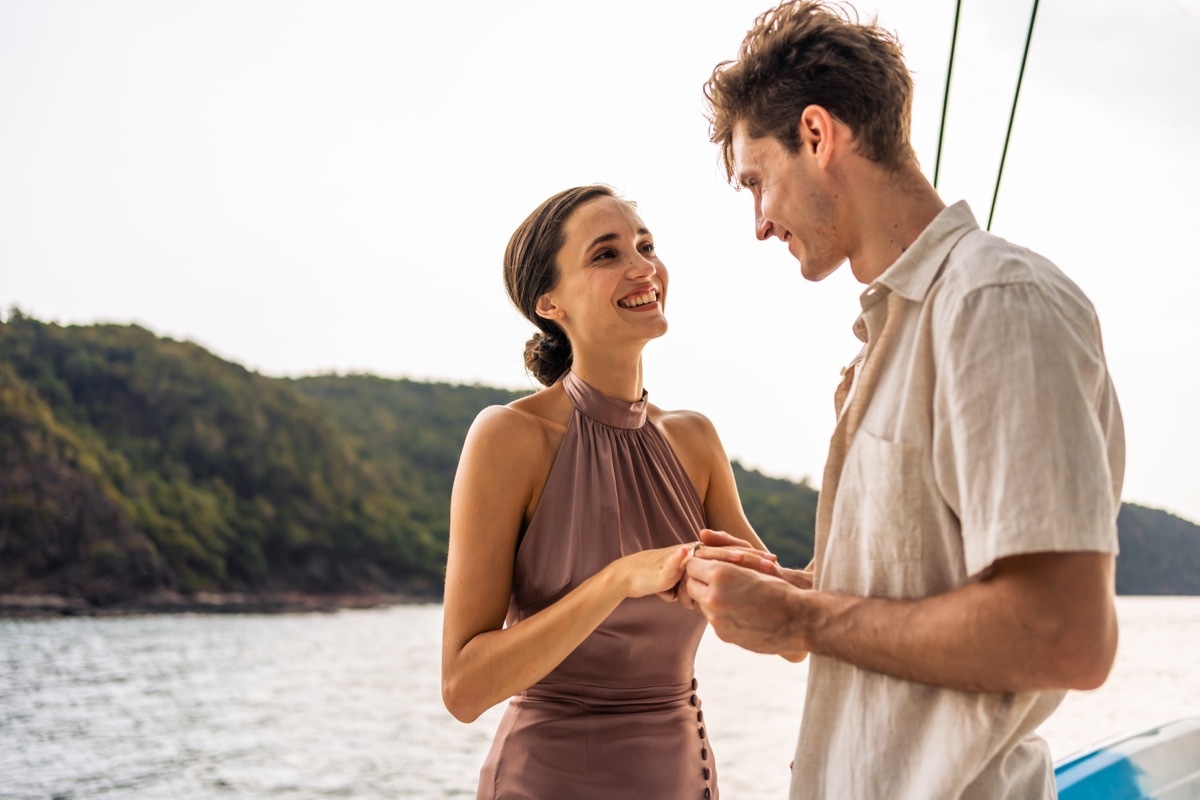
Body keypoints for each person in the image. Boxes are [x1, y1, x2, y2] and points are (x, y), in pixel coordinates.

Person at [681, 2, 1126, 798]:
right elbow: (929, 591)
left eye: (757, 181)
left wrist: (799, 622)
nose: (758, 223)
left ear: (817, 136)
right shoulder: (893, 339)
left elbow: (1065, 635)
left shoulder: (996, 302)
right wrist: (803, 592)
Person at [441, 184, 776, 799]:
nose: (642, 266)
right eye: (606, 255)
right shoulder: (510, 437)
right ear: (550, 302)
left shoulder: (695, 439)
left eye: (645, 245)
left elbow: (788, 622)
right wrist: (620, 578)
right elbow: (464, 689)